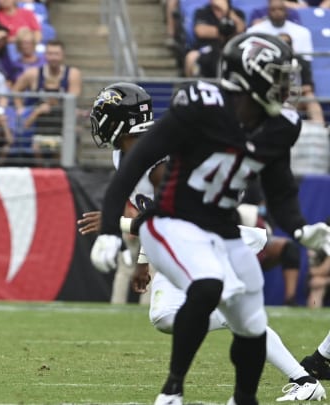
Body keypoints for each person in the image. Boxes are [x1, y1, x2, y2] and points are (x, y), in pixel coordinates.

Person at [89, 33, 330, 405]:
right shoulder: (144, 144)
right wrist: (137, 253)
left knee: (172, 314)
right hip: (189, 228)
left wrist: (118, 228)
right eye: (278, 76)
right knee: (226, 314)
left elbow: (168, 201)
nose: (287, 87)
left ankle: (179, 391)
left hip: (204, 227)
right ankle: (297, 378)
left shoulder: (162, 146)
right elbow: (156, 207)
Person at [183, 0, 245, 78]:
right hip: (208, 48)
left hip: (230, 48)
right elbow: (201, 31)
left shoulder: (237, 13)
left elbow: (241, 29)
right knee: (191, 57)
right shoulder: (202, 12)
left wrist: (227, 11)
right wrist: (227, 32)